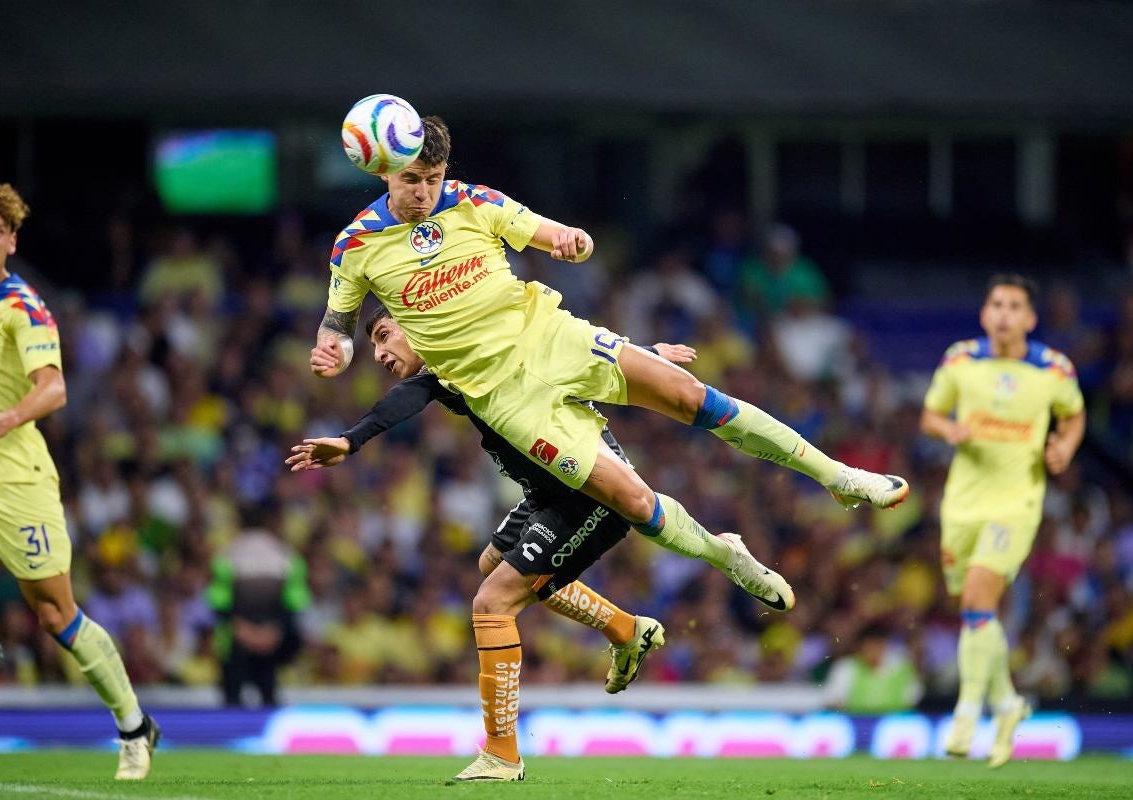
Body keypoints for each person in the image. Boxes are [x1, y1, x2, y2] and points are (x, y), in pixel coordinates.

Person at [310, 116, 907, 780]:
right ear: (381, 171)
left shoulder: (474, 202)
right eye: (411, 180)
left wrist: (570, 240)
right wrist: (332, 350)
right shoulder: (356, 246)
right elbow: (338, 325)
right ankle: (714, 558)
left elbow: (545, 230)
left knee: (687, 394)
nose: (424, 192)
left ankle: (838, 477)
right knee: (619, 508)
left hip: (551, 336)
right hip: (513, 403)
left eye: (432, 178)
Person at [290, 306, 795, 778]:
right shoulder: (453, 365)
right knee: (494, 564)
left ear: (416, 321)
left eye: (383, 336)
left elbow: (568, 345)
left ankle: (501, 753)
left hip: (585, 491)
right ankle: (625, 629)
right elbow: (421, 390)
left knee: (492, 603)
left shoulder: (472, 347)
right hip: (545, 491)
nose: (378, 354)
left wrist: (641, 359)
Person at [0, 183, 160, 779]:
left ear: (11, 242)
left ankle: (135, 727)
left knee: (56, 615)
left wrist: (8, 417)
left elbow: (54, 387)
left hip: (16, 475)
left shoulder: (24, 305)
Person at [920, 273, 1085, 768]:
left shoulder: (1054, 370)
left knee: (977, 596)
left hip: (1017, 502)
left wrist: (1065, 446)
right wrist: (951, 428)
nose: (1004, 314)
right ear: (984, 313)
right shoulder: (960, 360)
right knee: (975, 610)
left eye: (1015, 306)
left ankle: (967, 715)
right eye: (997, 304)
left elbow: (1074, 416)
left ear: (1031, 319)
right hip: (963, 503)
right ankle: (1009, 703)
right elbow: (930, 415)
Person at [207, 501, 310, 707]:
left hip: (235, 639)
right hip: (271, 640)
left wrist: (242, 630)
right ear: (270, 523)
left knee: (232, 699)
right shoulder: (288, 557)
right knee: (269, 695)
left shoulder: (226, 555)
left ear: (240, 524)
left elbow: (218, 601)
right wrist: (273, 630)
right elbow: (296, 602)